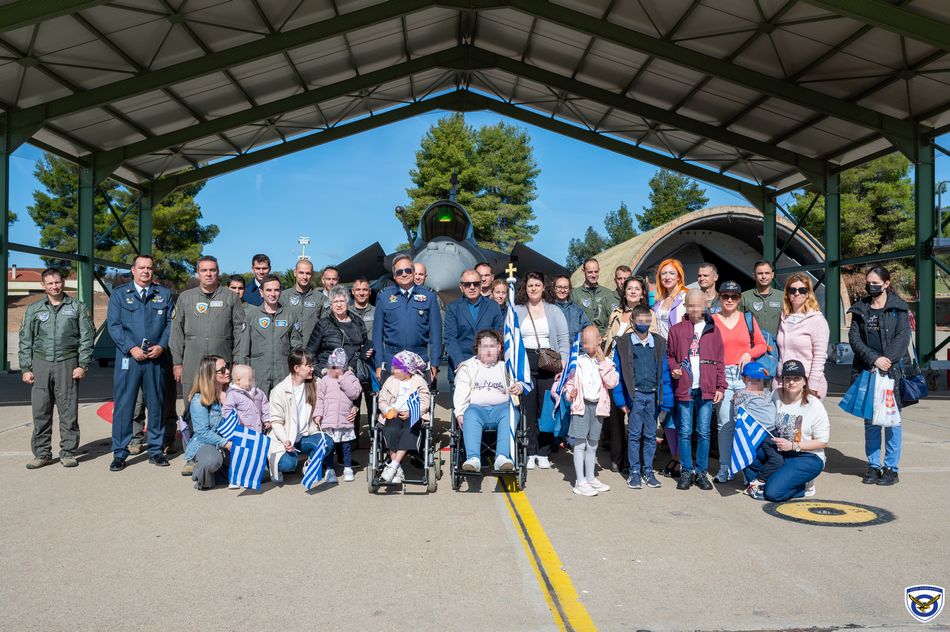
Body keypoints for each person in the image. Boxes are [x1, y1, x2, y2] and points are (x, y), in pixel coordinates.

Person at [19, 268, 94, 469]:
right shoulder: (34, 310)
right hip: (41, 363)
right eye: (50, 283)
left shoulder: (77, 307)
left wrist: (83, 364)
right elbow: (26, 340)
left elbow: (87, 337)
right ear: (43, 286)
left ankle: (68, 452)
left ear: (63, 283)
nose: (54, 286)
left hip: (67, 362)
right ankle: (42, 453)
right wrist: (26, 367)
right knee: (41, 410)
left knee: (68, 410)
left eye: (58, 282)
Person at [106, 255, 174, 471]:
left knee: (156, 405)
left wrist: (162, 346)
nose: (146, 271)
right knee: (124, 406)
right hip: (129, 358)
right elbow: (114, 325)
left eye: (149, 268)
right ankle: (120, 452)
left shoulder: (163, 294)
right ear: (133, 270)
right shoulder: (119, 294)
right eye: (141, 267)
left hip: (155, 358)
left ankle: (155, 450)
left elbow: (170, 324)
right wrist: (131, 348)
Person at [848, 265, 913, 486]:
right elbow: (854, 339)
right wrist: (874, 359)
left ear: (886, 284)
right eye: (868, 282)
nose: (870, 286)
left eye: (875, 283)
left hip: (892, 372)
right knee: (871, 422)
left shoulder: (899, 308)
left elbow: (902, 338)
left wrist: (885, 361)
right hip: (868, 371)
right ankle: (873, 466)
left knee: (893, 422)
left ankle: (891, 469)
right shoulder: (860, 309)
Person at [667, 289, 725, 491]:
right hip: (685, 386)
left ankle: (701, 472)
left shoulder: (713, 329)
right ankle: (686, 471)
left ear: (704, 306)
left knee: (704, 432)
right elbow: (670, 356)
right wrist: (674, 368)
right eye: (690, 305)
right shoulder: (676, 330)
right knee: (684, 431)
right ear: (685, 306)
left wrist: (721, 386)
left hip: (706, 387)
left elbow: (719, 360)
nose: (694, 309)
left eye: (698, 305)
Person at [170, 255, 244, 408]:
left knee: (224, 405)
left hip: (223, 362)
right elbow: (176, 332)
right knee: (191, 405)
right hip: (192, 362)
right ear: (198, 272)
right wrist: (177, 362)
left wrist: (238, 360)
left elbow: (240, 331)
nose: (208, 274)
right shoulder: (185, 298)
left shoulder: (231, 297)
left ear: (218, 272)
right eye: (204, 270)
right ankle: (191, 432)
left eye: (212, 270)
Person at [612, 305, 674, 490]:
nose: (644, 323)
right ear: (632, 322)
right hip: (635, 397)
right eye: (640, 320)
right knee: (634, 435)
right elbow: (618, 374)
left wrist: (667, 400)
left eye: (647, 320)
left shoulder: (659, 343)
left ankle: (648, 471)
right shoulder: (623, 344)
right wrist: (621, 400)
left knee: (650, 435)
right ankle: (634, 471)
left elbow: (665, 374)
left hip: (653, 396)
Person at [712, 280, 766, 483]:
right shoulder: (712, 320)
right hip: (723, 375)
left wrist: (748, 353)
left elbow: (762, 345)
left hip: (746, 376)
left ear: (739, 299)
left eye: (733, 296)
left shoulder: (748, 319)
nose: (729, 299)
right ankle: (725, 467)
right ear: (720, 297)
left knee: (747, 423)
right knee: (725, 423)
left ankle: (747, 468)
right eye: (725, 296)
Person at [515, 271, 570, 469]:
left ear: (544, 287)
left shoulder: (554, 311)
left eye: (537, 285)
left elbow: (564, 339)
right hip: (525, 362)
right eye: (530, 285)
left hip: (548, 361)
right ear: (525, 288)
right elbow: (512, 338)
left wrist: (563, 362)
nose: (534, 288)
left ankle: (544, 451)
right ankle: (530, 451)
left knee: (546, 408)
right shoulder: (517, 310)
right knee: (528, 408)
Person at [757, 360, 829, 501]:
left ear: (804, 381)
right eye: (788, 378)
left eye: (797, 378)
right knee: (753, 453)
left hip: (807, 456)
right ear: (782, 380)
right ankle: (782, 476)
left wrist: (793, 446)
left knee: (772, 492)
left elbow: (822, 442)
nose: (792, 382)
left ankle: (803, 485)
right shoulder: (775, 395)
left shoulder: (814, 405)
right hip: (781, 452)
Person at [559, 326, 619, 497]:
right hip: (581, 406)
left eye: (590, 340)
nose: (586, 344)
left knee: (593, 444)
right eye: (583, 341)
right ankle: (580, 481)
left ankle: (591, 477)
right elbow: (568, 382)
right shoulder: (577, 361)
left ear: (599, 340)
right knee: (579, 444)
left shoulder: (606, 362)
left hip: (598, 407)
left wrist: (603, 363)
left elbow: (612, 382)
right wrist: (570, 393)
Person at [453, 329, 522, 472]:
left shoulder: (506, 367)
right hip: (476, 409)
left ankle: (502, 458)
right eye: (484, 346)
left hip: (501, 408)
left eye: (492, 346)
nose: (488, 350)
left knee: (511, 413)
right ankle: (473, 458)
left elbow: (518, 384)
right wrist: (460, 412)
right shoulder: (467, 367)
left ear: (499, 348)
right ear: (477, 349)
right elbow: (461, 392)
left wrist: (519, 386)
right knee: (469, 414)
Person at [266, 349, 337, 484]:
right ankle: (273, 465)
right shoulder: (279, 391)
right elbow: (276, 421)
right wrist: (286, 440)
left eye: (312, 365)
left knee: (328, 442)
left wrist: (352, 407)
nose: (312, 368)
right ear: (296, 368)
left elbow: (335, 396)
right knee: (288, 465)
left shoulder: (316, 383)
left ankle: (309, 464)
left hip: (307, 435)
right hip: (285, 438)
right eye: (308, 365)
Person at [602, 276, 651, 473]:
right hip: (613, 369)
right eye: (629, 288)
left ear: (642, 293)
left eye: (636, 289)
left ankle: (634, 460)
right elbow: (608, 339)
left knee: (634, 416)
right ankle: (617, 457)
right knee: (614, 415)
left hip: (634, 370)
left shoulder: (648, 314)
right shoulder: (616, 313)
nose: (632, 291)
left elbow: (651, 339)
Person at [372, 254, 441, 384]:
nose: (404, 274)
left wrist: (435, 364)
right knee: (393, 402)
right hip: (391, 361)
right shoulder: (384, 297)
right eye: (399, 271)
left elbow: (436, 335)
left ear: (413, 272)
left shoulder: (429, 297)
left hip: (420, 361)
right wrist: (378, 364)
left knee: (420, 403)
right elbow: (377, 335)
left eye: (408, 270)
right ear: (394, 276)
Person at [237, 274, 302, 394]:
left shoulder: (290, 316)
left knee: (283, 411)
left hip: (283, 375)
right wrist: (243, 376)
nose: (273, 294)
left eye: (276, 290)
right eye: (268, 290)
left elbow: (297, 349)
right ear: (261, 292)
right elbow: (244, 351)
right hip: (259, 375)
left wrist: (297, 374)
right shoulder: (252, 316)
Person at [377, 351, 431, 484]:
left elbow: (425, 402)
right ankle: (397, 468)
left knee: (409, 430)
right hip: (393, 414)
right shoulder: (390, 380)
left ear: (407, 369)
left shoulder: (419, 381)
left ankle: (393, 465)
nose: (393, 370)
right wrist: (389, 410)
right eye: (393, 367)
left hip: (413, 414)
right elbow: (382, 400)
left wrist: (412, 412)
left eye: (397, 368)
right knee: (390, 430)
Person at [444, 269, 504, 386]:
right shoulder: (452, 308)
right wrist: (461, 363)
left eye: (476, 283)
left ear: (481, 285)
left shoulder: (493, 306)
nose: (472, 287)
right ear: (461, 287)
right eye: (467, 284)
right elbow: (450, 338)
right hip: (461, 366)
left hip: (488, 368)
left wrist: (487, 360)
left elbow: (498, 335)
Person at [183, 356, 232, 490]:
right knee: (211, 461)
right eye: (222, 370)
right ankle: (202, 475)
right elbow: (203, 433)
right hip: (207, 442)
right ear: (210, 374)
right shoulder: (199, 400)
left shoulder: (233, 392)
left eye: (227, 367)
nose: (227, 371)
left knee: (261, 475)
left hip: (230, 441)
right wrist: (226, 444)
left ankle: (221, 472)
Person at [777, 273, 829, 399]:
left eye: (802, 290)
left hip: (805, 384)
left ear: (808, 293)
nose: (797, 293)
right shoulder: (783, 318)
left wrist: (812, 386)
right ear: (787, 293)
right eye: (792, 290)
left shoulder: (817, 320)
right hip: (782, 381)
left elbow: (820, 356)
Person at [314, 348, 362, 482]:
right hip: (329, 420)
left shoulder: (351, 378)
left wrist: (342, 380)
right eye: (333, 367)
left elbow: (354, 394)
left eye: (339, 367)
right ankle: (330, 469)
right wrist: (318, 414)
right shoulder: (324, 380)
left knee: (346, 446)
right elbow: (320, 399)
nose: (335, 370)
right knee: (330, 446)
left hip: (344, 419)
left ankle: (347, 468)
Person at [733, 362, 780, 499]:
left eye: (759, 379)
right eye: (752, 379)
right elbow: (738, 417)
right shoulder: (742, 394)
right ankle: (757, 481)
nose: (756, 382)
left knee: (778, 459)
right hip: (760, 432)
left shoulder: (767, 393)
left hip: (773, 431)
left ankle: (762, 480)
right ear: (744, 379)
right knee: (776, 460)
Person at [282, 259, 326, 346]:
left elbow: (325, 326)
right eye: (301, 273)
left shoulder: (321, 299)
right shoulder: (283, 297)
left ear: (312, 275)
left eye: (308, 273)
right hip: (288, 351)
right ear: (295, 273)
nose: (304, 277)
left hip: (312, 350)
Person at [570, 258, 614, 336]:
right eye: (590, 272)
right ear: (583, 271)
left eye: (596, 272)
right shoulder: (575, 294)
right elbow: (573, 321)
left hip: (603, 339)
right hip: (584, 341)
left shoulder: (608, 293)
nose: (593, 275)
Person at [740, 260, 783, 337]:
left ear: (772, 275)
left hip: (776, 345)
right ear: (754, 275)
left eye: (767, 273)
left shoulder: (782, 296)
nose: (764, 276)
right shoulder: (744, 297)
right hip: (753, 345)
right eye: (760, 273)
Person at [222, 364, 269, 432]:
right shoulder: (233, 395)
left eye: (253, 378)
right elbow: (227, 410)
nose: (252, 381)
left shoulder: (257, 392)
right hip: (244, 431)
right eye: (250, 379)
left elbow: (265, 404)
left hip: (258, 429)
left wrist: (266, 419)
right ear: (238, 380)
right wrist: (236, 423)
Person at [652, 258, 687, 341]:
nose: (667, 277)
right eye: (664, 273)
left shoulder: (686, 297)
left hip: (680, 348)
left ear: (678, 277)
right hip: (662, 350)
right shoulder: (659, 300)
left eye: (672, 273)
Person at [552, 275, 591, 343]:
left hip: (572, 351)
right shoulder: (547, 309)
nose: (562, 290)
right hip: (551, 351)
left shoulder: (577, 311)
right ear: (554, 288)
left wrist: (581, 351)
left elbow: (587, 332)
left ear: (570, 289)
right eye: (559, 287)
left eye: (566, 287)